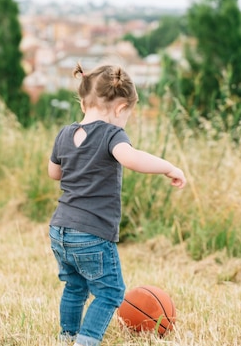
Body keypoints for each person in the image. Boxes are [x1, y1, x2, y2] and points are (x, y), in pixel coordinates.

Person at [47, 63, 187, 346]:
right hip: (92, 233)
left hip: (60, 229)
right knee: (110, 292)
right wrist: (168, 167)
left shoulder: (64, 134)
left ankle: (67, 337)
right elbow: (131, 158)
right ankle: (85, 342)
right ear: (121, 108)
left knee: (75, 287)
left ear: (84, 100)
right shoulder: (112, 135)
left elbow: (54, 173)